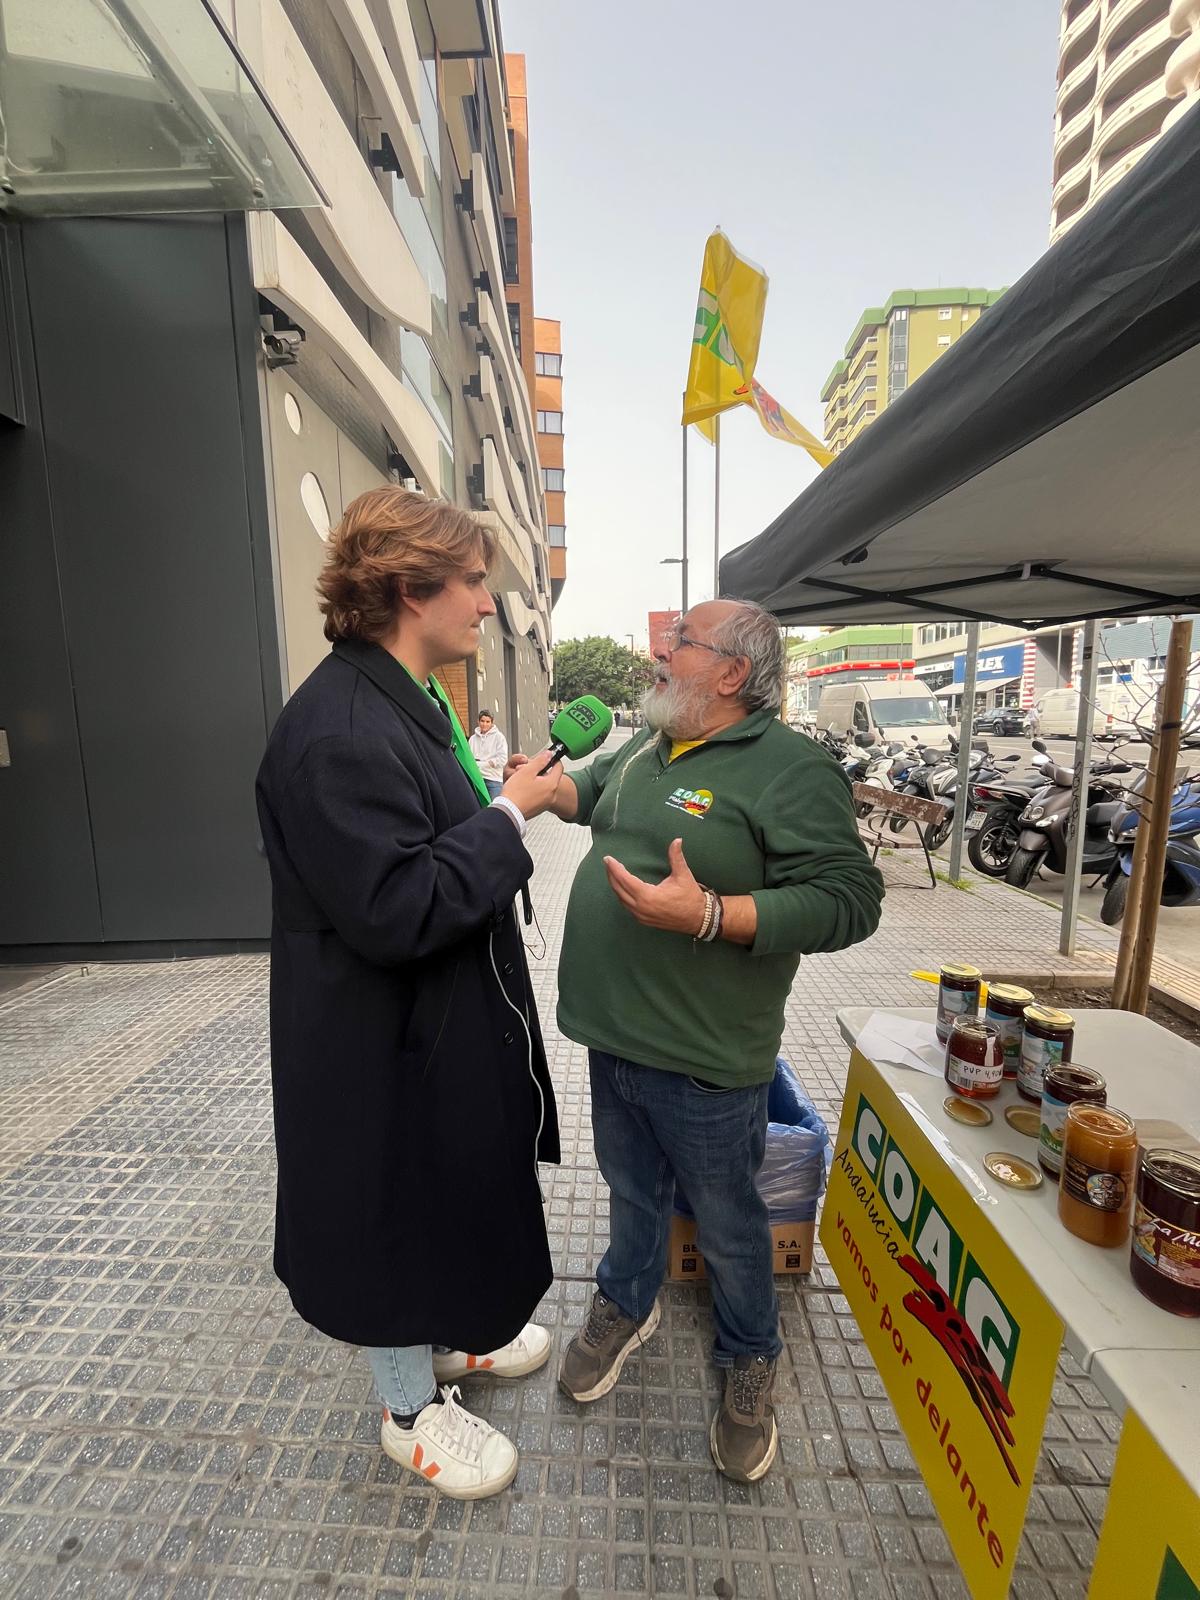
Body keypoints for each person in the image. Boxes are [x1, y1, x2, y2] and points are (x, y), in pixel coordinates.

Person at [521, 598, 884, 1483]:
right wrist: (544, 789)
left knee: (728, 1223)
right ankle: (625, 1303)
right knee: (631, 1193)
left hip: (710, 1059)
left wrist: (718, 913)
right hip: (614, 1037)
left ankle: (752, 1355)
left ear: (731, 674)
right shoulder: (651, 746)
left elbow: (851, 900)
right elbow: (594, 797)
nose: (659, 651)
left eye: (680, 642)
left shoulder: (790, 769)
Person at [255, 487, 564, 1501]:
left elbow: (428, 845)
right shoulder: (339, 728)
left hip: (426, 1030)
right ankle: (406, 1413)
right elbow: (396, 903)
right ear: (406, 587)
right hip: (373, 1047)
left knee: (438, 1197)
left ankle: (447, 1342)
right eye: (473, 581)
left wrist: (492, 806)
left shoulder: (406, 703)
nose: (486, 604)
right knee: (389, 1213)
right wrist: (511, 816)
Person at [469, 708, 508, 799]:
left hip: (493, 780)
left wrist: (484, 764)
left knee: (494, 809)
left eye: (487, 721)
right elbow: (469, 758)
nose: (484, 724)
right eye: (482, 721)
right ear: (478, 721)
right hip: (476, 779)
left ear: (492, 723)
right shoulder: (472, 739)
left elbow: (502, 759)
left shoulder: (499, 737)